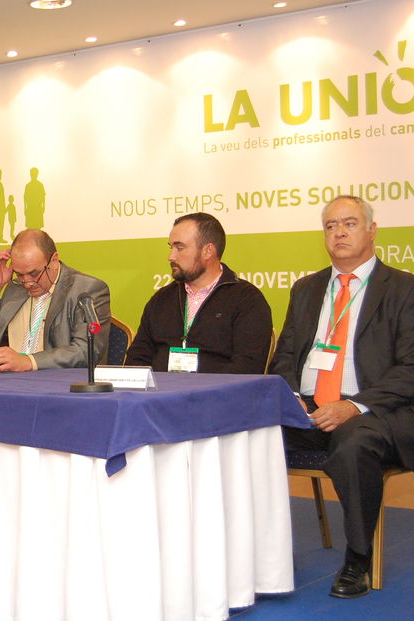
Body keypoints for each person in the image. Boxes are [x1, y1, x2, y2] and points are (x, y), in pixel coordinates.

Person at [272, 195, 414, 599]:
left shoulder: (404, 289)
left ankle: (357, 558)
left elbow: (410, 368)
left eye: (350, 223)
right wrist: (293, 396)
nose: (339, 232)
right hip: (310, 408)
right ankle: (258, 549)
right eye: (331, 226)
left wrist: (352, 406)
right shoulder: (306, 289)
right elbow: (284, 356)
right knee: (250, 433)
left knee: (353, 443)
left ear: (372, 230)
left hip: (378, 411)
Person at [125, 213, 272, 373]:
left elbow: (247, 368)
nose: (171, 256)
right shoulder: (162, 299)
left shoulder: (247, 300)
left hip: (216, 396)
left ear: (208, 251)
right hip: (159, 395)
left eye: (179, 248)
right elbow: (137, 358)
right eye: (171, 247)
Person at [0, 229, 110, 372]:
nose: (27, 282)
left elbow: (85, 351)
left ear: (54, 260)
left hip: (55, 381)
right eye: (19, 274)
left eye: (34, 273)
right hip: (8, 380)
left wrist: (29, 361)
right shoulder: (14, 288)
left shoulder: (86, 290)